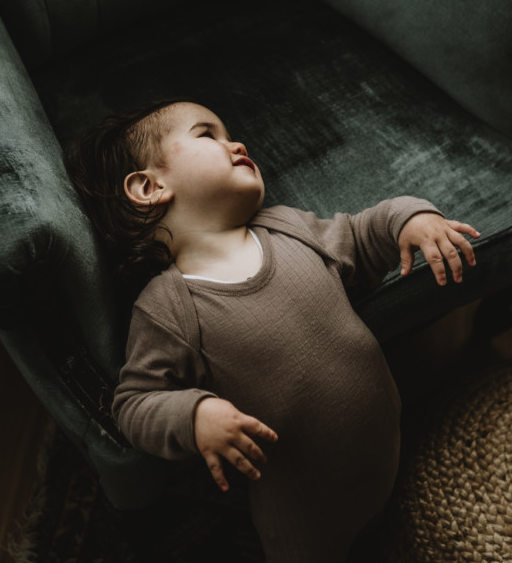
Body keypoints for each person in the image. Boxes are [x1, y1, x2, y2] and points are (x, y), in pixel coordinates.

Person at [66, 100, 479, 562]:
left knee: (385, 529)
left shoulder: (286, 227)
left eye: (229, 133)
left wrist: (410, 218)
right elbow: (135, 402)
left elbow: (362, 236)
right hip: (304, 514)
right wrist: (195, 415)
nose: (236, 143)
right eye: (208, 134)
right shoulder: (169, 306)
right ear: (149, 186)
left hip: (385, 453)